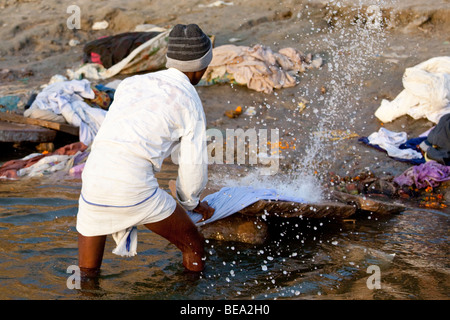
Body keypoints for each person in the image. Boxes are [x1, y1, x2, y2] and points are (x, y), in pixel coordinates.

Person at [76, 24, 215, 277]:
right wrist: (191, 203)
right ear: (202, 67)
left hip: (92, 181)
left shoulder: (131, 83)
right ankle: (190, 299)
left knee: (87, 274)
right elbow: (192, 164)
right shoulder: (189, 99)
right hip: (132, 187)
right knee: (194, 246)